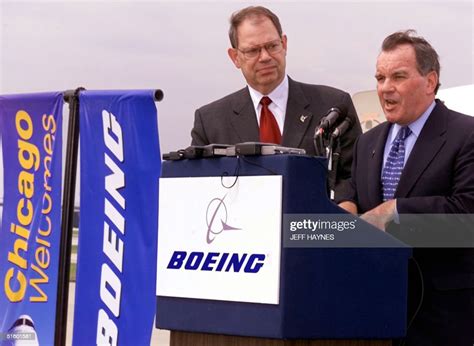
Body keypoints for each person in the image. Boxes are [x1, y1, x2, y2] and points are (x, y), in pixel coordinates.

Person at [340, 30, 474, 345]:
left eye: (398, 77)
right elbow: (358, 197)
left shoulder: (466, 135)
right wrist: (345, 205)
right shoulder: (367, 142)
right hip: (373, 311)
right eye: (380, 78)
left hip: (442, 319)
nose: (385, 88)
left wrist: (396, 210)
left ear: (430, 81)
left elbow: (468, 213)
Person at [190, 6, 361, 201]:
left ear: (285, 44)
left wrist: (344, 208)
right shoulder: (210, 121)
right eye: (253, 51)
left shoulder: (333, 106)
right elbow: (200, 188)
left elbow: (353, 177)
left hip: (313, 227)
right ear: (235, 57)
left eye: (272, 46)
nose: (265, 57)